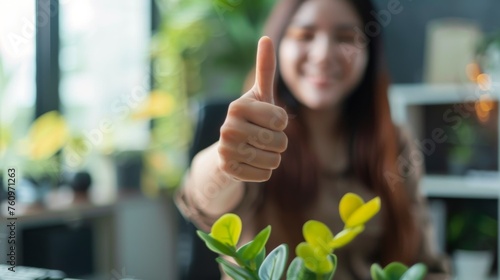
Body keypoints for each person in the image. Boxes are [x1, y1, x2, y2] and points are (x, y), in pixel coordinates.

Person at [176, 0, 451, 279]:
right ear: (281, 44)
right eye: (304, 36)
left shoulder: (394, 140)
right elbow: (201, 202)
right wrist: (226, 163)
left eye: (345, 37)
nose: (322, 55)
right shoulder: (253, 134)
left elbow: (424, 263)